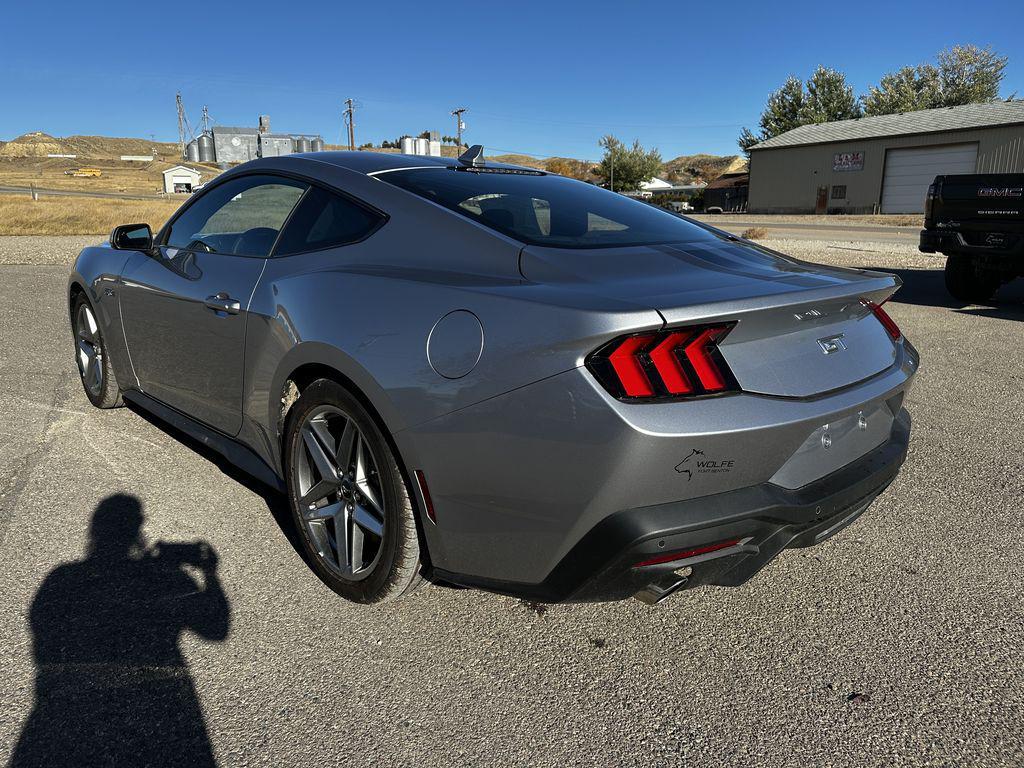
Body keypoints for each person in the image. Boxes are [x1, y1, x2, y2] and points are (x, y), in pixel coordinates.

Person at [10, 494, 230, 767]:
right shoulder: (165, 579)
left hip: (72, 712)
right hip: (159, 706)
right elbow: (217, 628)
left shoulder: (63, 578)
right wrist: (209, 573)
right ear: (138, 532)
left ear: (95, 532)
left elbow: (44, 645)